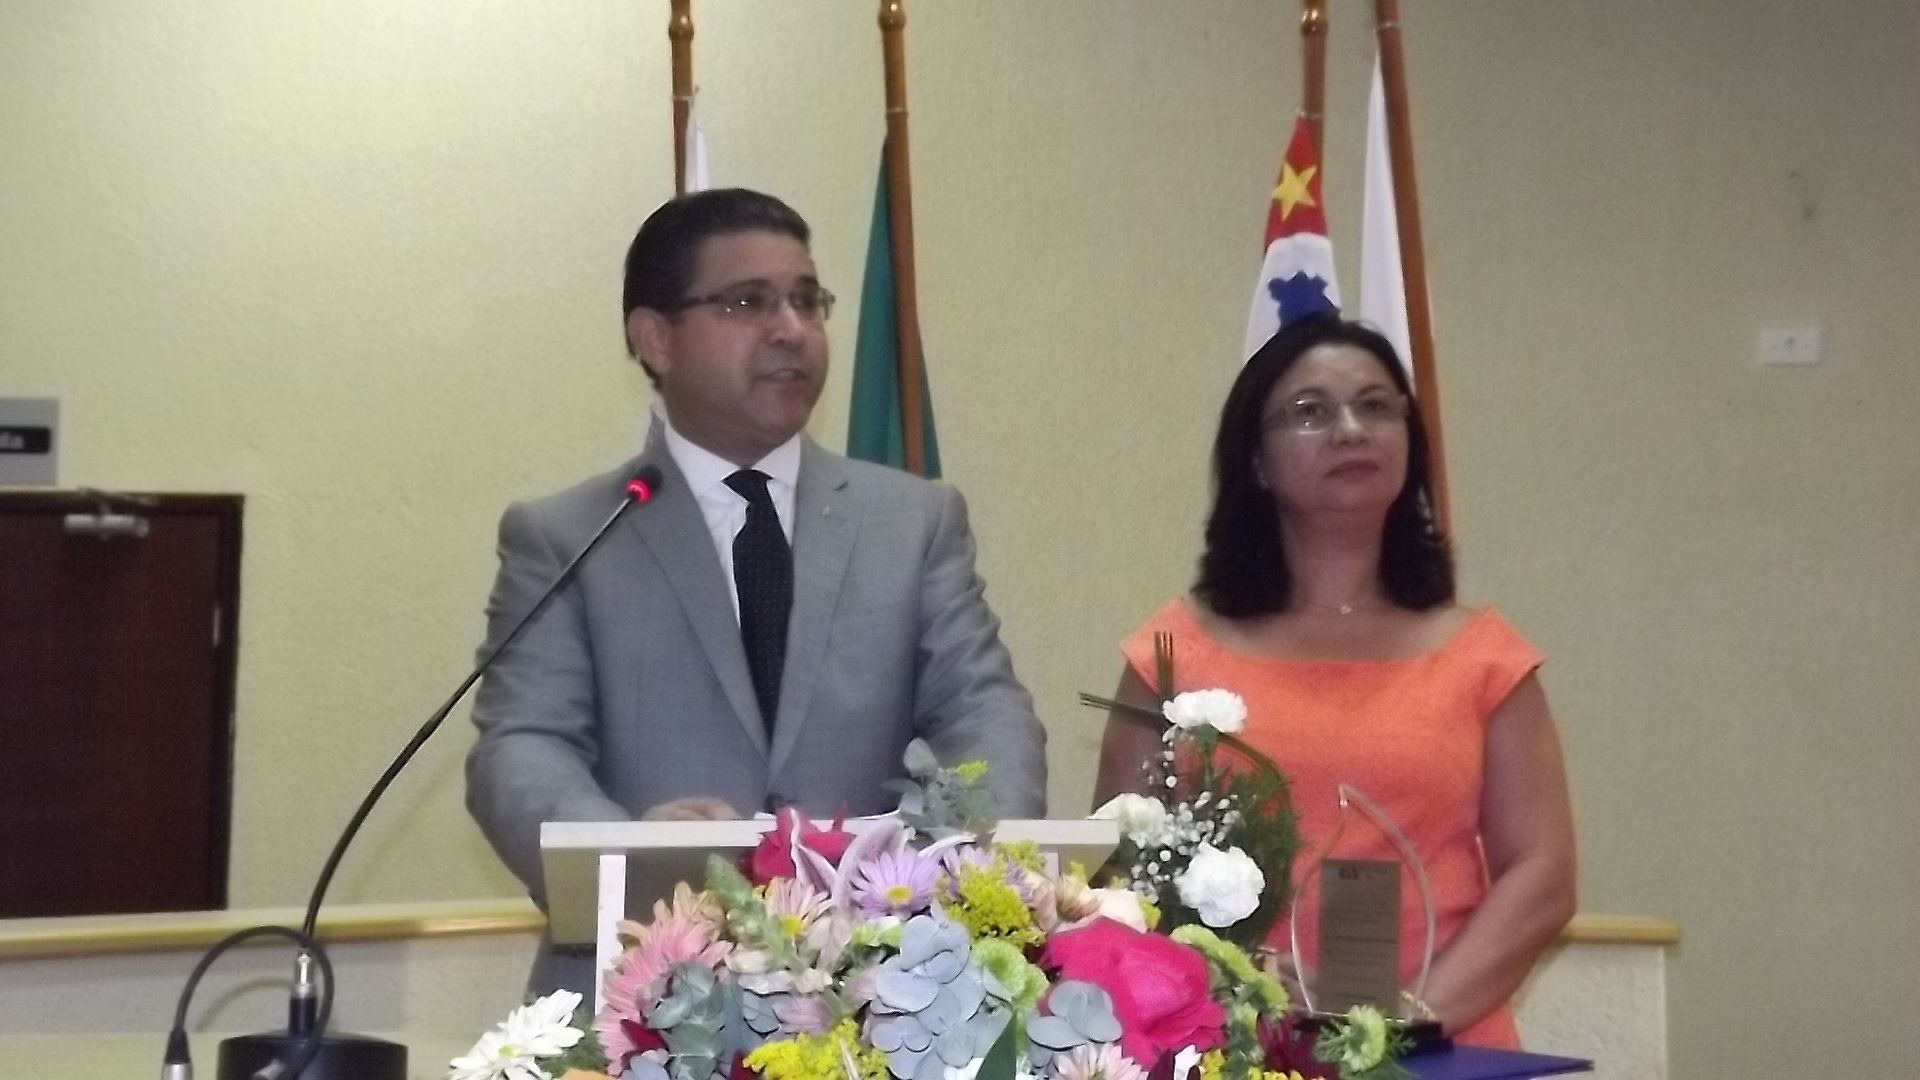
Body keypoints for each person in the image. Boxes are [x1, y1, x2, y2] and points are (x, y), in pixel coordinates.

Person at [468, 188, 1047, 991]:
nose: (790, 329)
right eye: (748, 302)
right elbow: (522, 746)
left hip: (884, 996)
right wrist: (635, 852)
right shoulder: (568, 537)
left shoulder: (913, 522)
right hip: (640, 989)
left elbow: (983, 714)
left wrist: (956, 872)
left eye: (806, 301)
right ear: (655, 338)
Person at [1094, 314, 1574, 1047]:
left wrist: (1411, 1018)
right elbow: (1119, 879)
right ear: (1256, 461)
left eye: (1375, 406)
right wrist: (1230, 990)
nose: (1351, 430)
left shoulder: (1483, 658)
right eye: (1311, 412)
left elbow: (1542, 874)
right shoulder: (1172, 656)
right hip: (1231, 1046)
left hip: (1440, 1049)